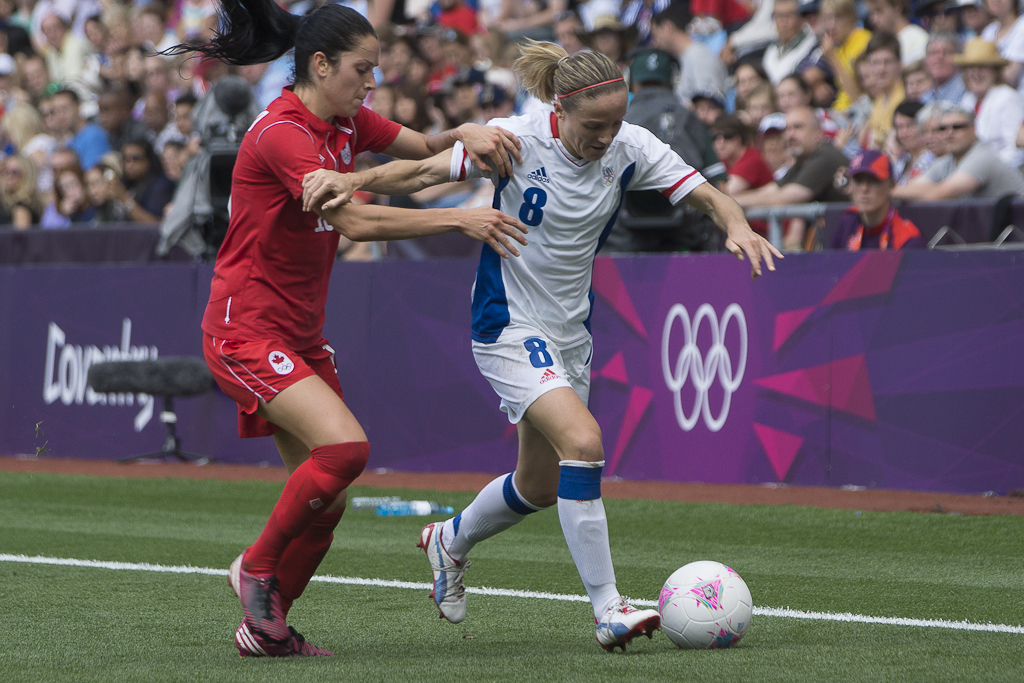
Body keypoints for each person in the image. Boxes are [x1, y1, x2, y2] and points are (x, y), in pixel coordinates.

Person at [302, 38, 781, 651]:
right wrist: (350, 180)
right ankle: (610, 609)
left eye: (617, 122)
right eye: (595, 125)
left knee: (539, 484)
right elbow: (420, 172)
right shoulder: (514, 140)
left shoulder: (631, 147)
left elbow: (708, 195)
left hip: (569, 333)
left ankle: (449, 541)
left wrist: (738, 226)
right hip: (506, 323)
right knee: (584, 442)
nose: (608, 136)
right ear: (561, 108)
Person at [166, 0, 529, 659]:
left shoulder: (346, 121)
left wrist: (469, 131)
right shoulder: (282, 133)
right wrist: (460, 220)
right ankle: (254, 566)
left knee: (325, 498)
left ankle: (268, 627)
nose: (372, 83)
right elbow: (357, 222)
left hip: (298, 333)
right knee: (346, 451)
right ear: (320, 63)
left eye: (377, 70)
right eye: (362, 70)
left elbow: (421, 150)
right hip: (244, 329)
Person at [894, 104, 1024, 199]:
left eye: (957, 127)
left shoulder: (982, 157)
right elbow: (912, 187)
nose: (949, 133)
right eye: (942, 129)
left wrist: (887, 193)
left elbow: (939, 194)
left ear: (974, 129)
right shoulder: (945, 162)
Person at [830, 149, 924, 249]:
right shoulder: (848, 221)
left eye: (873, 180)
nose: (864, 189)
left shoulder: (908, 238)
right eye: (858, 180)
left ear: (891, 185)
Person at [956, 37, 1024, 167]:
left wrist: (987, 171)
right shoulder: (967, 99)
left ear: (995, 71)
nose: (976, 73)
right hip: (969, 171)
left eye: (982, 67)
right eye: (970, 67)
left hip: (1000, 176)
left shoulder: (1007, 97)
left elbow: (1017, 151)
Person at [650, 2, 728, 105]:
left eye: (656, 35)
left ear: (667, 27)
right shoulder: (685, 57)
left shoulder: (698, 56)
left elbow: (710, 104)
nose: (654, 43)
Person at [763, 0, 820, 85]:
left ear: (801, 18)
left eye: (788, 15)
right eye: (778, 15)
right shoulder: (771, 49)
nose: (783, 21)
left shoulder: (813, 45)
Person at [921, 34, 966, 104]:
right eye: (933, 53)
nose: (939, 58)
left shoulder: (966, 90)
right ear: (925, 61)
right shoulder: (926, 95)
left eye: (947, 52)